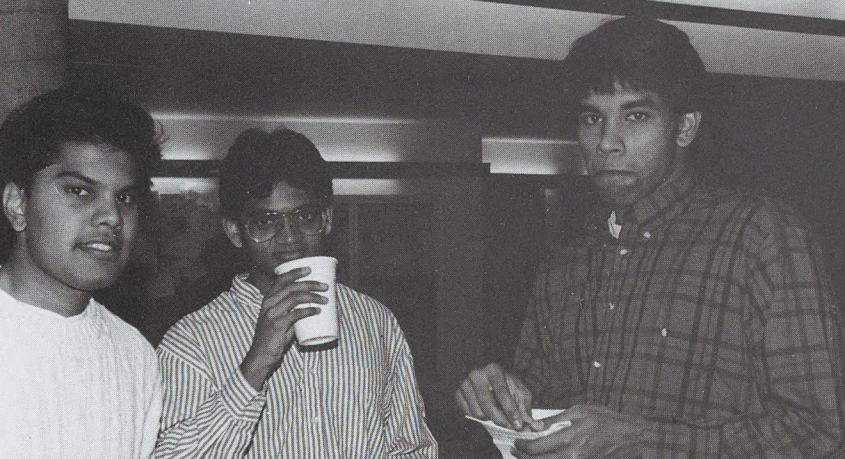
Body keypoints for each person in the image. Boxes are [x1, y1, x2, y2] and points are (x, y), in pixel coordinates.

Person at [456, 16, 843, 458]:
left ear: (684, 128)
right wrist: (501, 397)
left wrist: (644, 441)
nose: (607, 142)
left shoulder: (759, 236)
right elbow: (542, 408)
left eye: (635, 116)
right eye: (591, 118)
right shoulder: (565, 263)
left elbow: (821, 432)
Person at [155, 128, 438, 458]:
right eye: (265, 221)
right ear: (235, 231)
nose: (290, 237)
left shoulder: (376, 322)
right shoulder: (191, 342)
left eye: (305, 216)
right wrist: (254, 367)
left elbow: (411, 447)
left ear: (328, 219)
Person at [0, 87, 163, 458]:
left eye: (125, 198)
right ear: (17, 204)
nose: (111, 217)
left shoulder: (134, 355)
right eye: (79, 191)